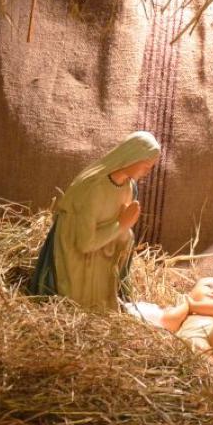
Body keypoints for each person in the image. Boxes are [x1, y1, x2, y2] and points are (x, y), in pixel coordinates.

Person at [30, 131, 160, 312]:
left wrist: (125, 232)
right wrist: (121, 225)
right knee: (80, 308)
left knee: (106, 306)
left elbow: (120, 231)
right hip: (76, 256)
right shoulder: (93, 189)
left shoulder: (128, 187)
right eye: (146, 166)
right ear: (132, 157)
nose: (147, 172)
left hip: (103, 254)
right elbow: (84, 244)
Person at [157, 277, 213, 365]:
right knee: (196, 346)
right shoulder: (186, 312)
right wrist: (186, 305)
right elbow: (168, 322)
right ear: (190, 293)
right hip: (191, 337)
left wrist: (193, 305)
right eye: (208, 286)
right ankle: (210, 363)